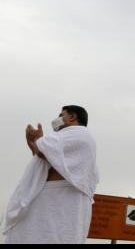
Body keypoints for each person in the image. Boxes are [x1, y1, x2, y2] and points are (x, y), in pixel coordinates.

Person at [3, 105, 99, 244]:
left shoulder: (78, 132)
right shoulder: (70, 139)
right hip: (53, 198)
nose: (57, 119)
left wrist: (37, 140)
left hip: (57, 199)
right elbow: (48, 161)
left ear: (71, 117)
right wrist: (35, 147)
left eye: (61, 115)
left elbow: (43, 150)